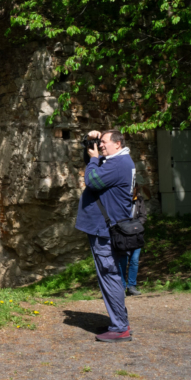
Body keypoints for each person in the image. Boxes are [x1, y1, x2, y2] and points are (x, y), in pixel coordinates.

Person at [76, 129, 136, 343]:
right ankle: (119, 321)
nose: (101, 146)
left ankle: (120, 327)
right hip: (108, 228)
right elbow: (93, 159)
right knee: (111, 275)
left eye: (104, 142)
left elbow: (92, 181)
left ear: (118, 144)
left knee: (109, 274)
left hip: (106, 231)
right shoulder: (116, 161)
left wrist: (93, 160)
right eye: (99, 143)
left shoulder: (118, 164)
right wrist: (89, 141)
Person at [118, 182, 146, 296]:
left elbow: (143, 216)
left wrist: (135, 226)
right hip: (124, 234)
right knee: (123, 261)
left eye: (133, 188)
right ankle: (121, 287)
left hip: (136, 234)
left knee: (134, 260)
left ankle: (132, 286)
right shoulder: (121, 199)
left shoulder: (139, 200)